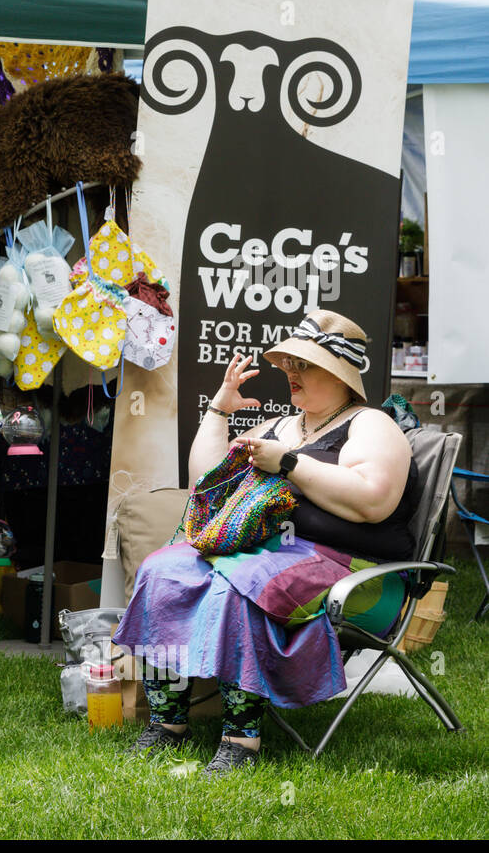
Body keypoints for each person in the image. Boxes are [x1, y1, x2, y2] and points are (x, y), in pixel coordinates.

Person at [115, 310, 419, 774]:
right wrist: (220, 410)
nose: (290, 373)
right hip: (276, 554)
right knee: (162, 571)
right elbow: (206, 483)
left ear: (339, 374)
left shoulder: (370, 424)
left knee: (239, 584)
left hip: (359, 575)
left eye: (305, 364)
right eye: (289, 363)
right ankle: (167, 723)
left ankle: (241, 740)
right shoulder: (282, 428)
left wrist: (290, 463)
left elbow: (371, 502)